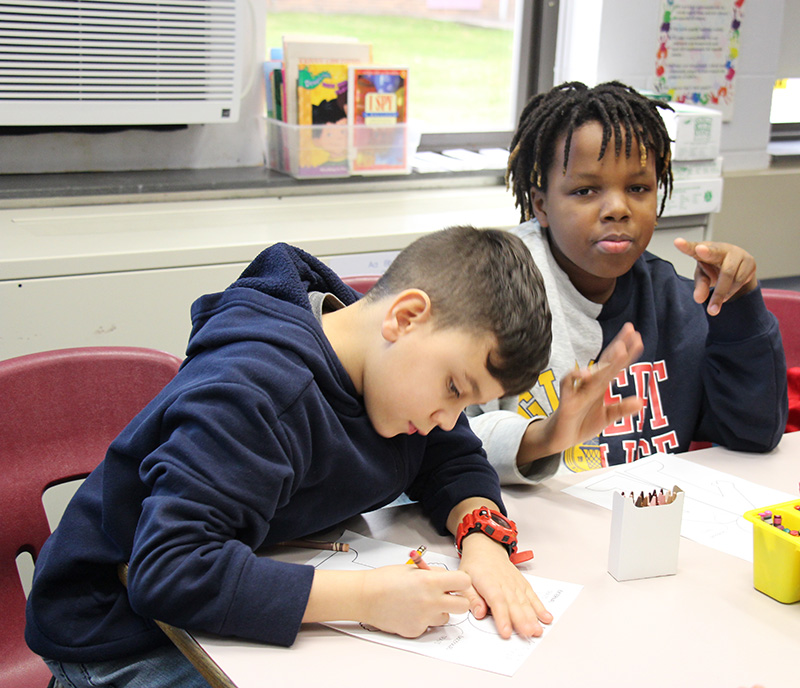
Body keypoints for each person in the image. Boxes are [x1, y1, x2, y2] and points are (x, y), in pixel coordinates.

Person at [26, 225, 635, 688]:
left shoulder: (392, 370)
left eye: (468, 402)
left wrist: (481, 537)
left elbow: (453, 458)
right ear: (406, 316)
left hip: (229, 588)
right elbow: (170, 573)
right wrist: (367, 601)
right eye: (454, 389)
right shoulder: (255, 394)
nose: (449, 419)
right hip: (121, 636)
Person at [468, 80, 789, 485]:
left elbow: (752, 435)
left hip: (642, 525)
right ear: (541, 205)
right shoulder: (491, 289)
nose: (618, 208)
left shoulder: (676, 303)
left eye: (638, 188)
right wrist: (545, 436)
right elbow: (441, 441)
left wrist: (740, 308)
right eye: (585, 190)